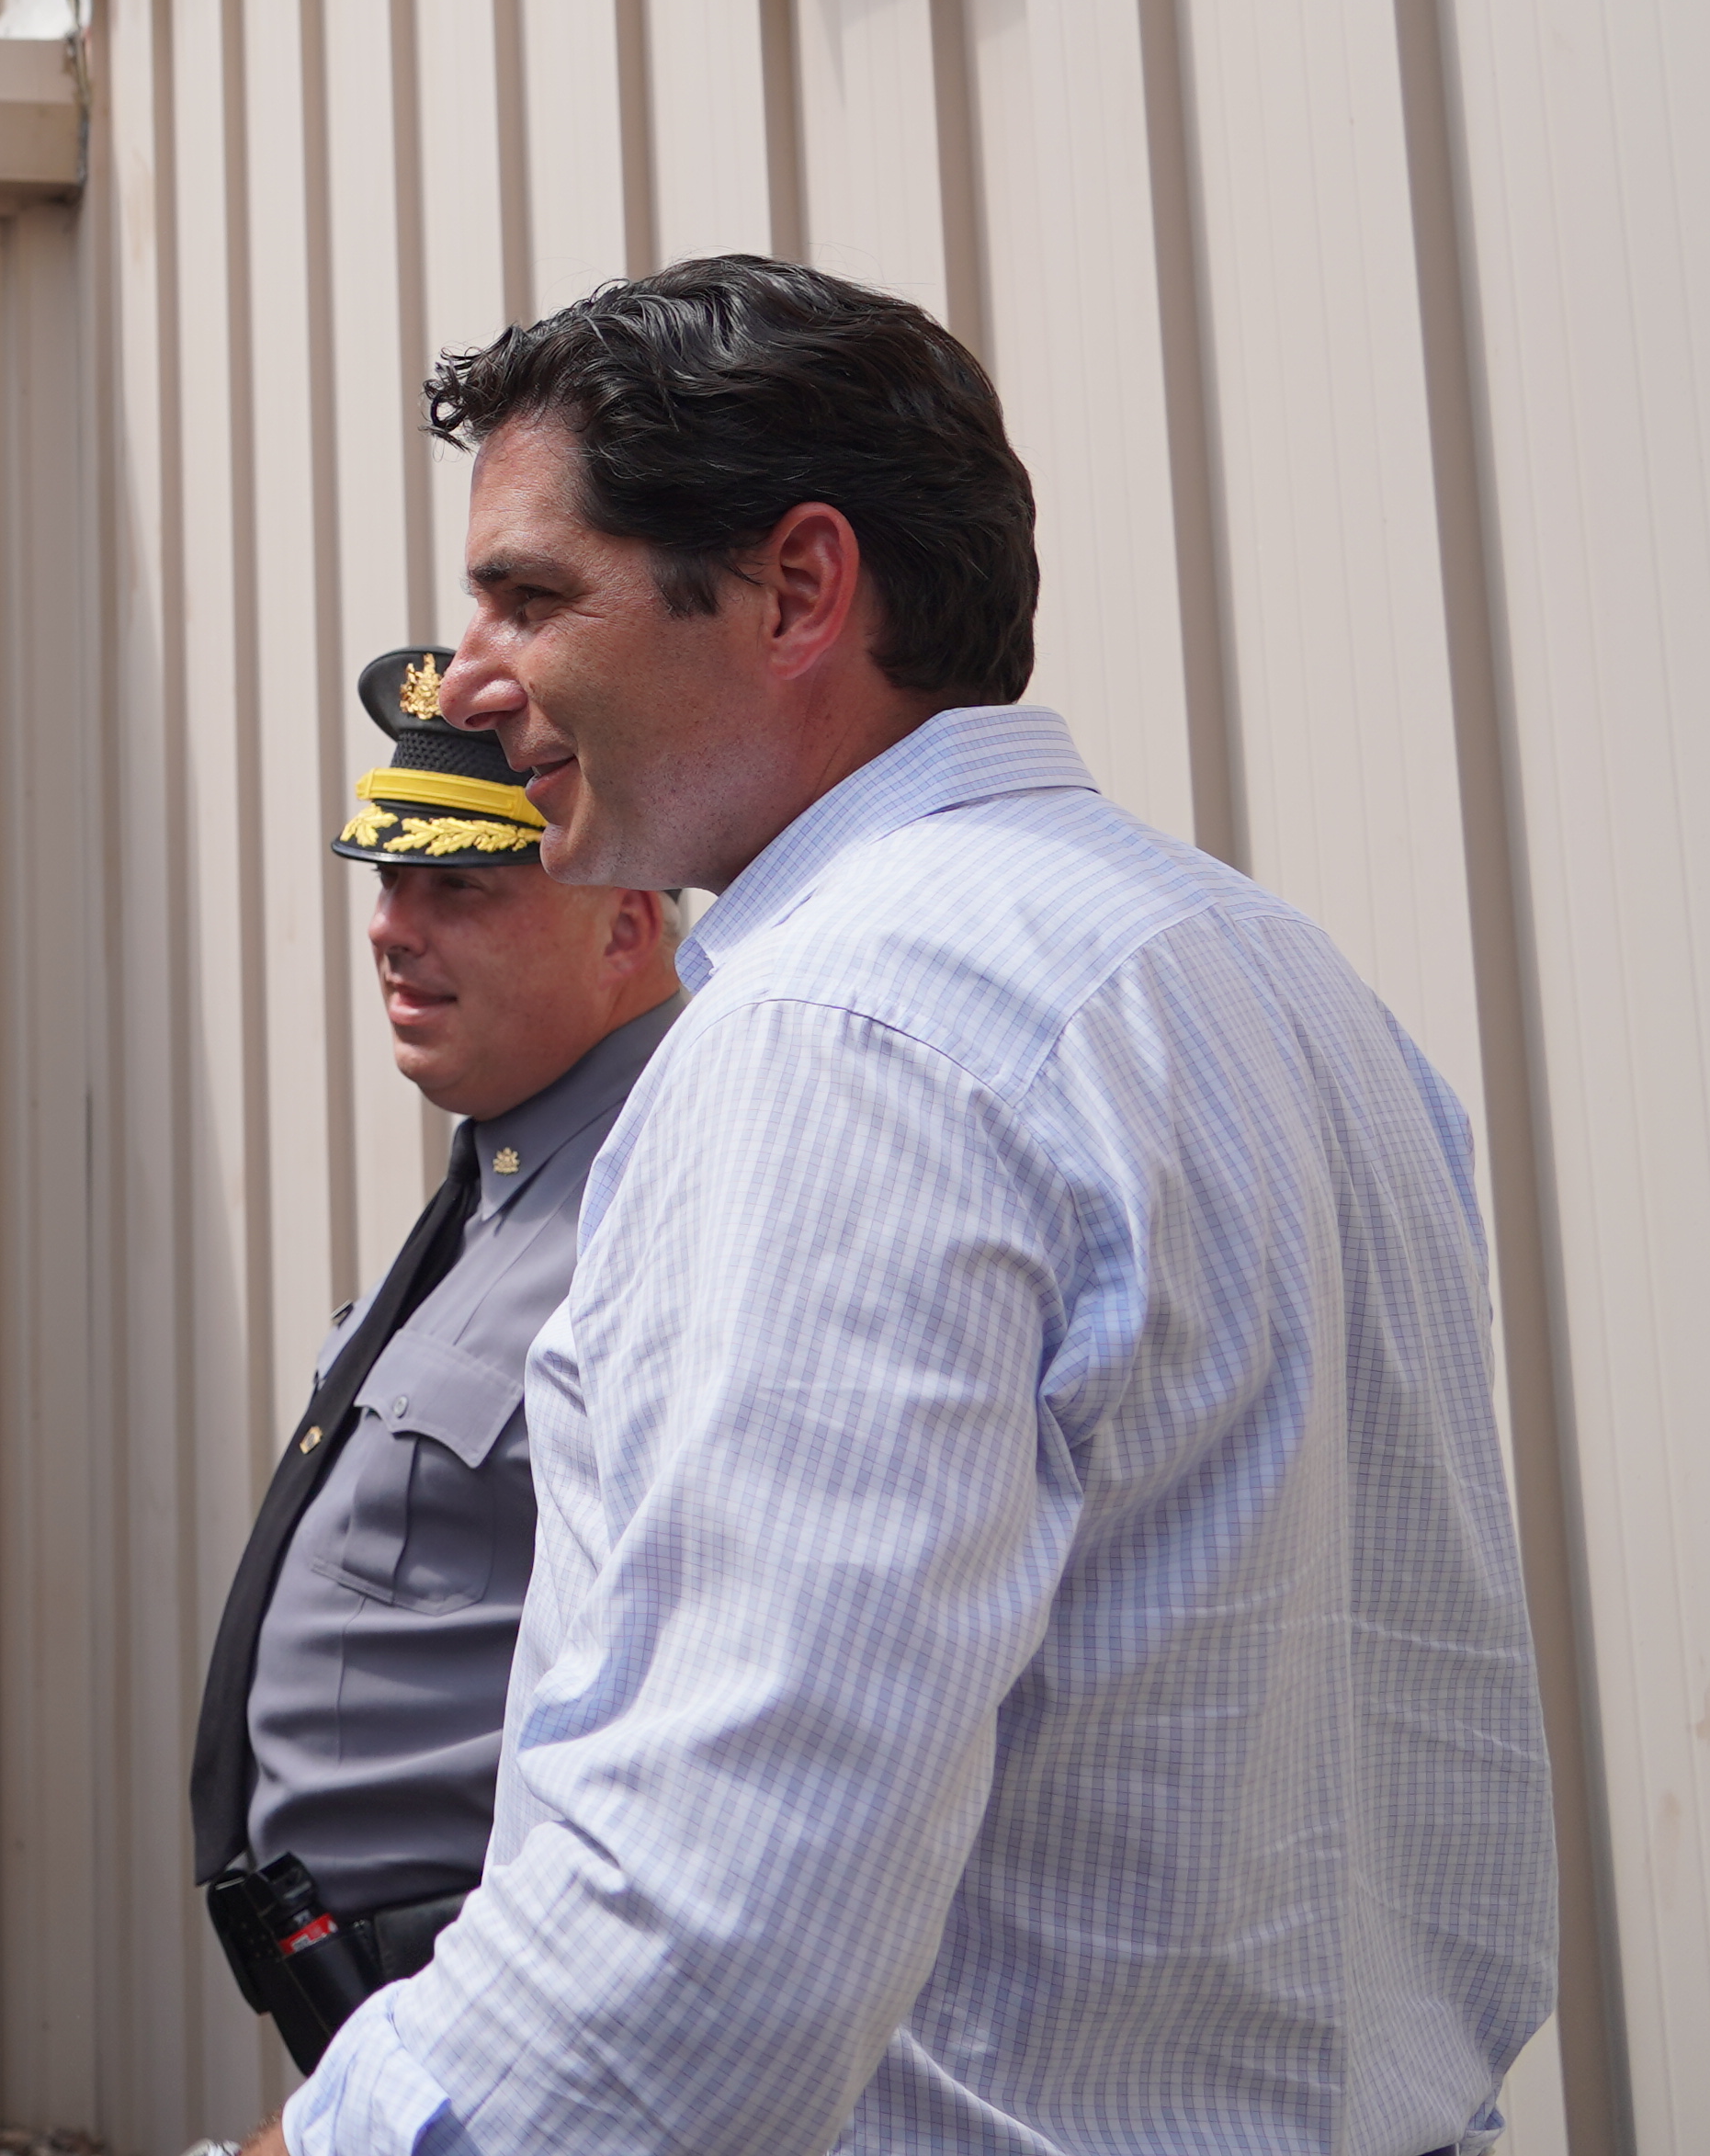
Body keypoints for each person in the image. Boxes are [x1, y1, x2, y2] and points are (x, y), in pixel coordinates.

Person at [259, 257, 1553, 2156]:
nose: (467, 676)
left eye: (532, 592)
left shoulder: (837, 1035)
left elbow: (701, 1953)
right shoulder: (1269, 969)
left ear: (798, 585)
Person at [185, 648, 678, 2065]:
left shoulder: (654, 1202)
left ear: (626, 927)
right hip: (381, 2003)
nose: (394, 930)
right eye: (386, 883)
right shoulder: (508, 1187)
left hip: (504, 2006)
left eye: (458, 889)